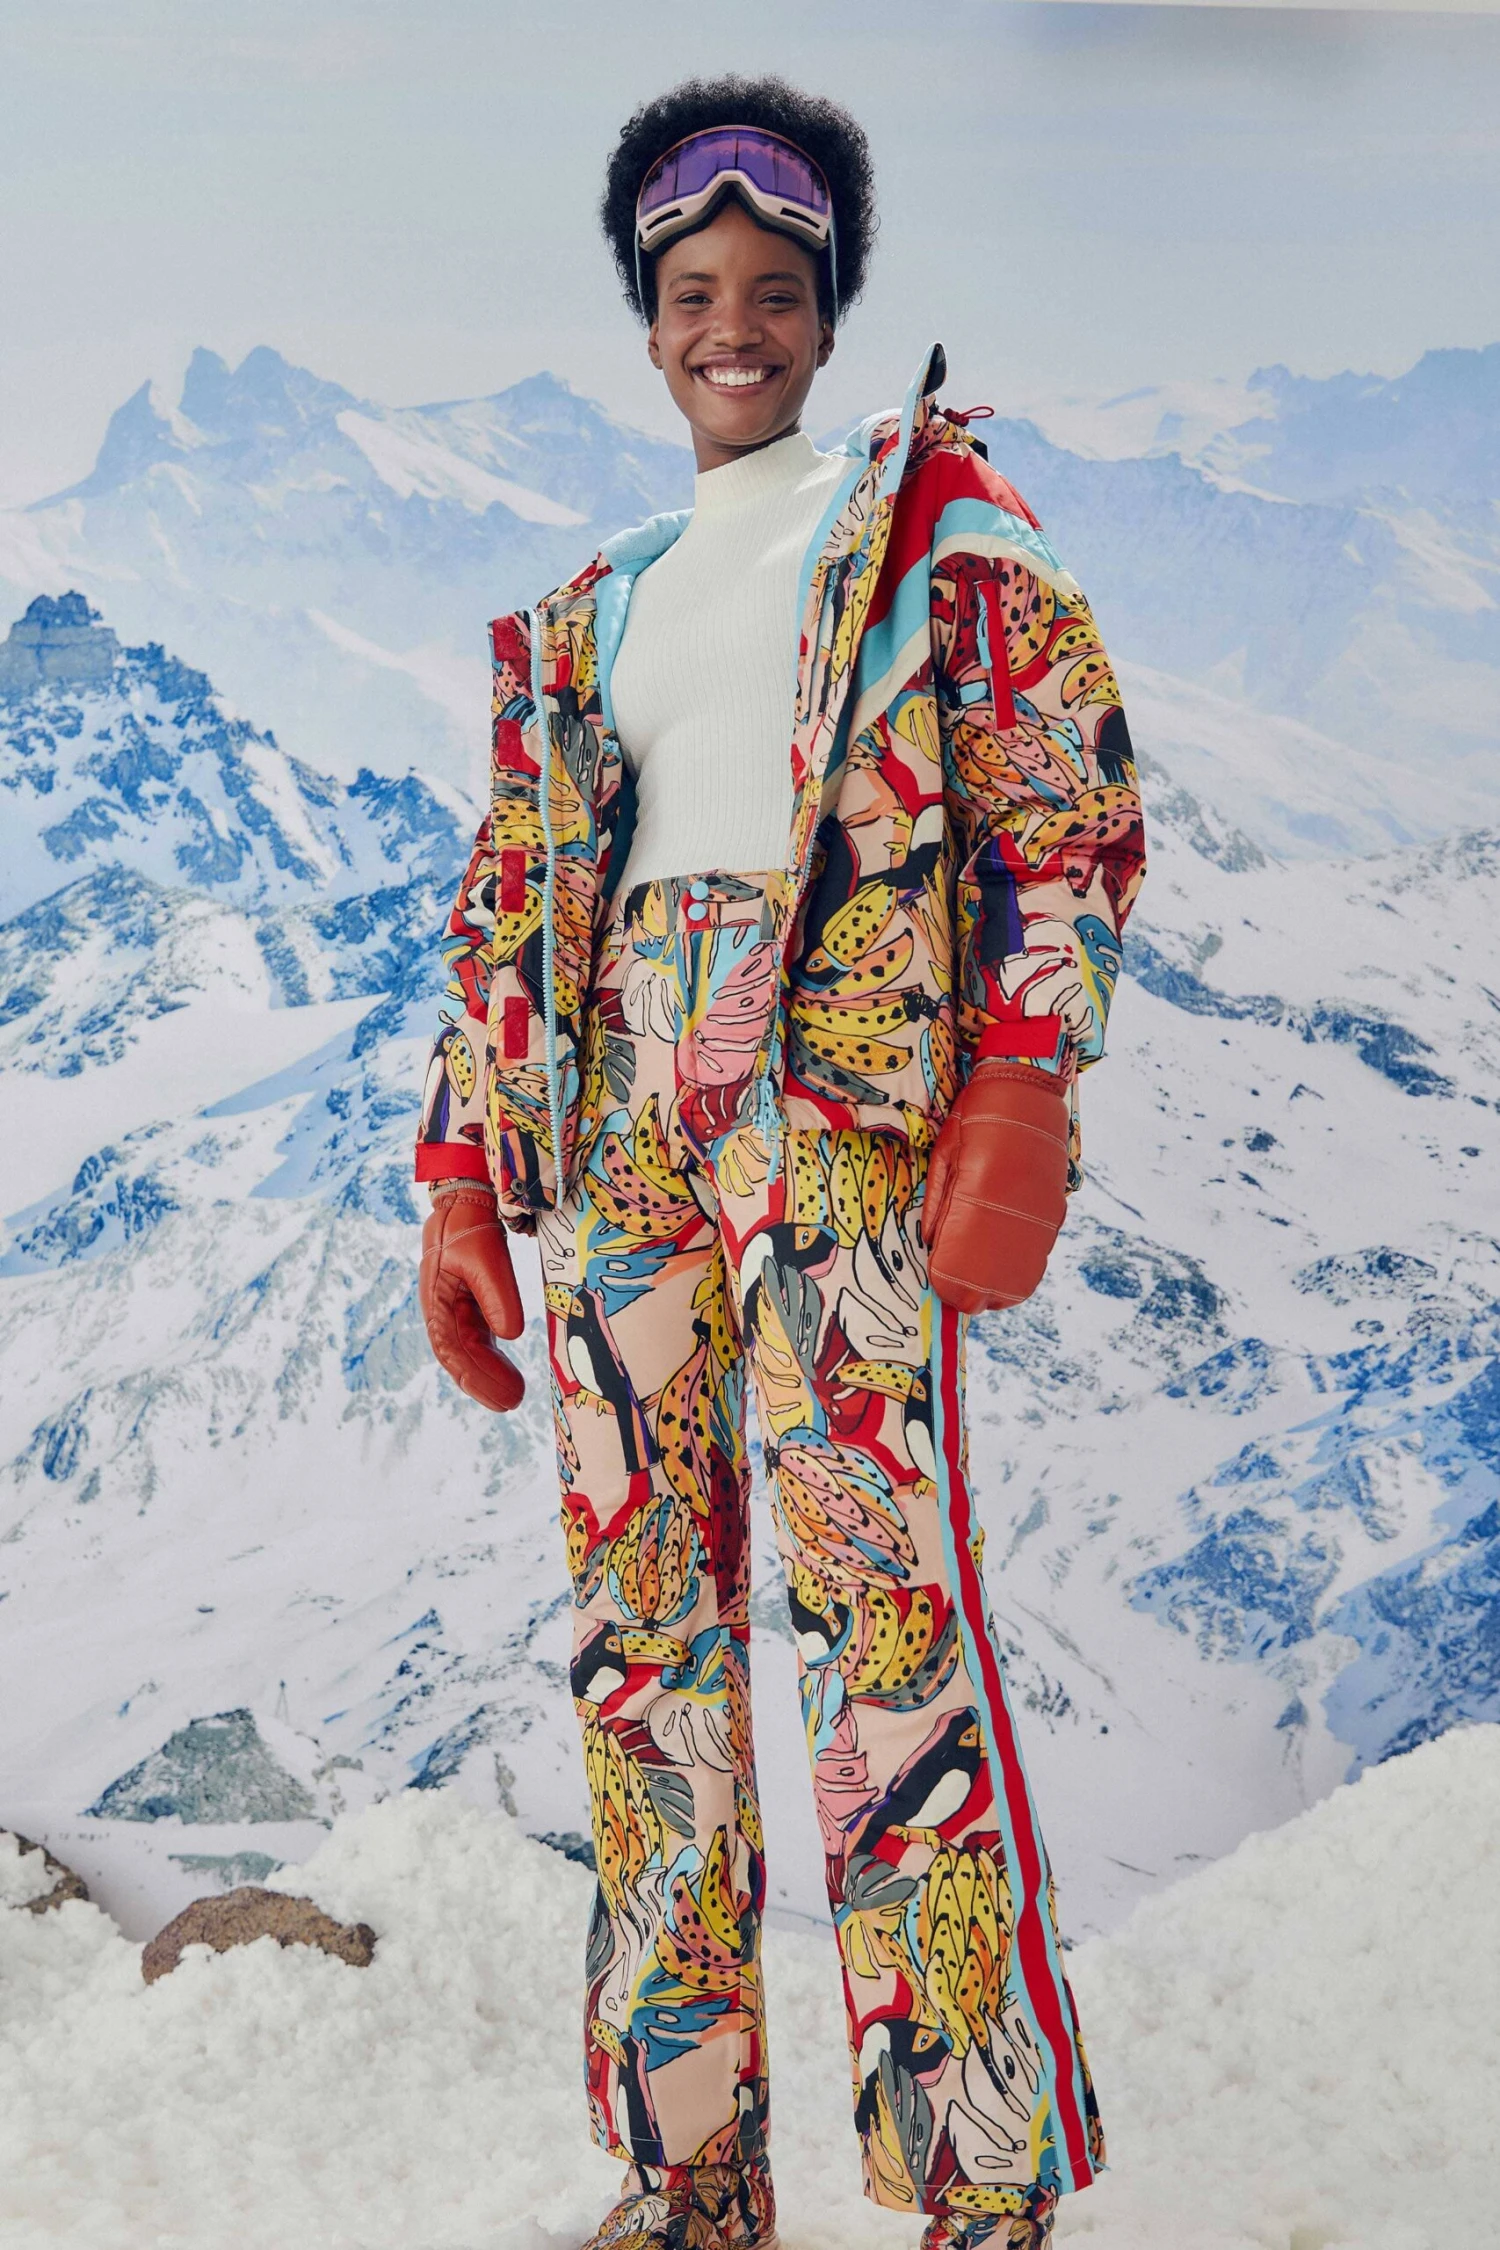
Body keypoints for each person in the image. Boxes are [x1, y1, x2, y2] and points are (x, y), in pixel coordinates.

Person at [414, 73, 1146, 2250]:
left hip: (839, 1121)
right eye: (690, 293)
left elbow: (1065, 809)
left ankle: (979, 2191)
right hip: (621, 1135)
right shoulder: (597, 606)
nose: (730, 326)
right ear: (647, 323)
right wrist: (461, 1176)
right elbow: (507, 905)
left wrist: (1026, 1078)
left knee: (885, 1636)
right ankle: (694, 2175)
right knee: (641, 1648)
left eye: (772, 289)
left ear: (830, 312)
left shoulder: (932, 536)